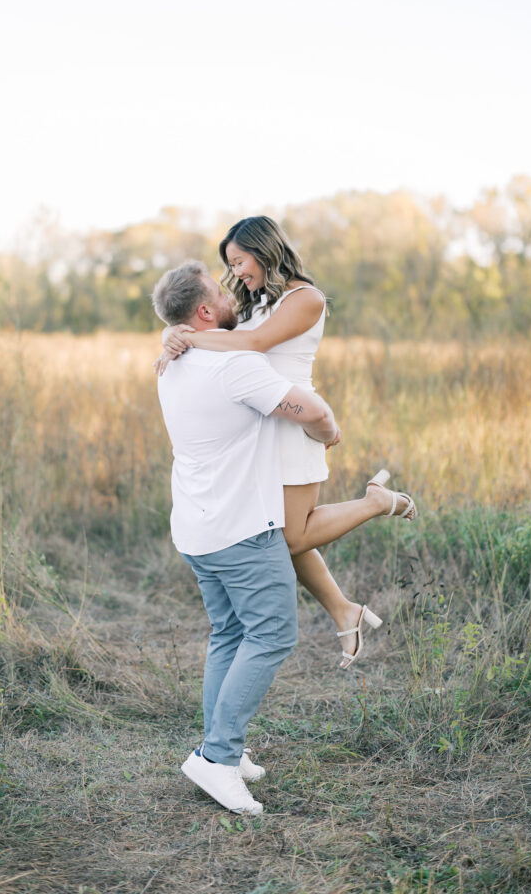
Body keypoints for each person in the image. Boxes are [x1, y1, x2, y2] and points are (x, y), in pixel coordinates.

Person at [157, 216, 417, 667]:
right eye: (231, 265)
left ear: (264, 249)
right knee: (274, 532)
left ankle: (376, 502)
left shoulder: (306, 299)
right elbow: (216, 325)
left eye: (240, 261)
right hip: (260, 424)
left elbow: (252, 344)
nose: (236, 273)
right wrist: (173, 333)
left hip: (294, 424)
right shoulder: (253, 300)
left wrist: (188, 341)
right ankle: (344, 611)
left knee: (289, 536)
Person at [152, 260, 340, 815]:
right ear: (205, 312)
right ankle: (215, 758)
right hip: (238, 529)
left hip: (194, 525)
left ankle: (224, 754)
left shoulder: (171, 362)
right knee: (275, 633)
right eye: (220, 290)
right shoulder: (233, 365)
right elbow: (311, 409)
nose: (232, 291)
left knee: (231, 632)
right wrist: (329, 433)